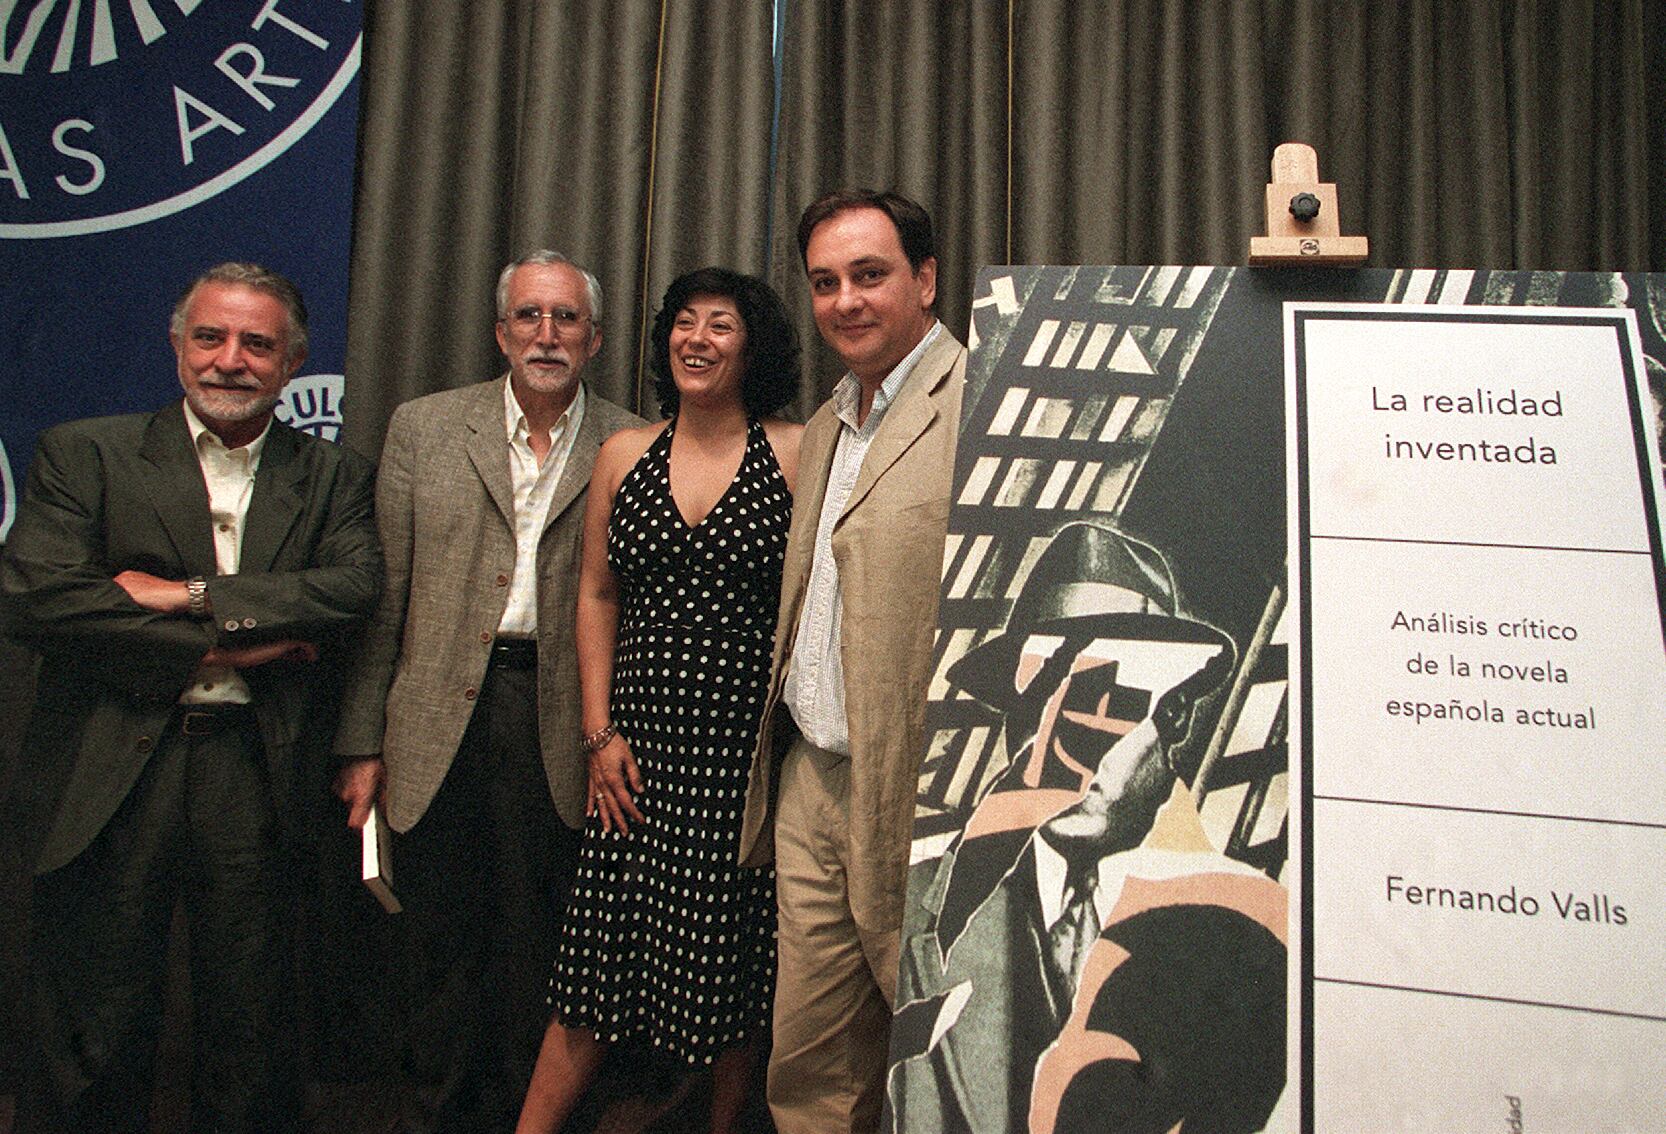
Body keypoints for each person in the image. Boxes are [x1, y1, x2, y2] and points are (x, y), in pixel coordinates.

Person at [2, 262, 381, 1133]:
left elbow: (351, 587)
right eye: (210, 337)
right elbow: (41, 597)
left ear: (293, 364)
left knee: (250, 1027)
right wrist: (236, 638)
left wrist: (187, 595)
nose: (230, 360)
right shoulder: (85, 452)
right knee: (92, 1021)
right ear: (178, 347)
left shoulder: (333, 476)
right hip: (111, 762)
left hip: (253, 770)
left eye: (258, 344)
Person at [333, 250, 645, 1131]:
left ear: (593, 337)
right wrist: (361, 743)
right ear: (500, 331)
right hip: (434, 724)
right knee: (438, 949)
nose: (547, 335)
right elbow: (386, 599)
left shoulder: (631, 440)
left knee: (545, 951)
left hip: (559, 723)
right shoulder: (425, 428)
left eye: (566, 320)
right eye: (530, 317)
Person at [516, 267, 803, 1134]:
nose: (698, 339)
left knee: (733, 970)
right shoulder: (622, 453)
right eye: (685, 322)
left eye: (722, 325)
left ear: (752, 348)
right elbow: (596, 595)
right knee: (592, 971)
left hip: (744, 760)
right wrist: (599, 734)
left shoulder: (795, 450)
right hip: (634, 758)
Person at [889, 522, 1288, 1134]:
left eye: (1106, 707)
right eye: (1038, 707)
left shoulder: (1253, 939)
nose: (1062, 752)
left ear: (1174, 717)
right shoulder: (917, 907)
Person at [736, 188, 968, 1133]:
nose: (846, 301)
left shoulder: (978, 396)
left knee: (942, 1053)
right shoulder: (829, 419)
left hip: (919, 790)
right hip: (813, 781)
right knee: (812, 1060)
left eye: (870, 275)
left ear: (925, 279)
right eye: (826, 282)